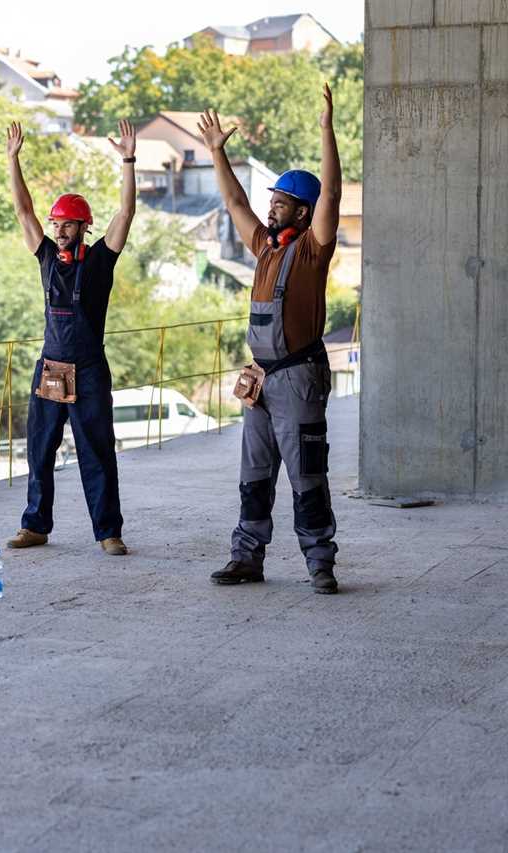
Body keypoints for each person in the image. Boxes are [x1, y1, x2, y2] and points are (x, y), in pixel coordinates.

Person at [199, 83, 342, 594]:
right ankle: (246, 557)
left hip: (299, 377)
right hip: (260, 379)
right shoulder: (264, 248)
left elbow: (331, 193)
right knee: (254, 475)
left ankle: (319, 562)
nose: (273, 207)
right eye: (274, 200)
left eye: (282, 202)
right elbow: (235, 201)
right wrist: (218, 152)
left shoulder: (312, 250)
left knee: (306, 475)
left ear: (303, 212)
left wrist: (326, 131)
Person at [3, 119, 137, 557]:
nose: (58, 230)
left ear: (84, 227)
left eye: (67, 224)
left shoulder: (100, 261)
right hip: (50, 368)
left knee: (97, 453)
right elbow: (24, 211)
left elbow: (126, 214)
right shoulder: (45, 258)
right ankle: (35, 525)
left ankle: (108, 532)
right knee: (39, 450)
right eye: (56, 223)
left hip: (90, 371)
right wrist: (12, 160)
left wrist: (128, 161)